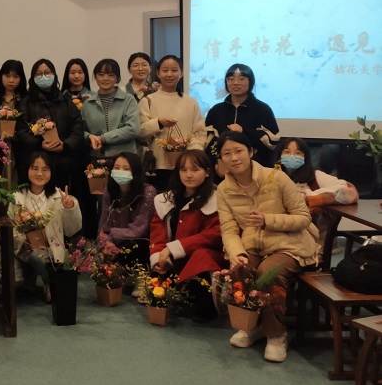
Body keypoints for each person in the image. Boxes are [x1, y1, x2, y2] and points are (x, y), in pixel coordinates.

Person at [216, 131, 319, 363]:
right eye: (227, 154)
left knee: (267, 272)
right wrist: (237, 253)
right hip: (254, 245)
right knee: (239, 269)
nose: (234, 158)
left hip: (291, 245)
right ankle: (252, 326)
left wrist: (267, 220)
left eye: (239, 151)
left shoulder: (277, 178)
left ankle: (276, 335)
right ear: (221, 160)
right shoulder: (223, 190)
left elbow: (304, 218)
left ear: (251, 152)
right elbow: (229, 230)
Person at [150, 149, 224, 320]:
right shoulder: (165, 199)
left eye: (195, 169)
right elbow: (157, 232)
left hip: (204, 259)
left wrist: (174, 248)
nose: (188, 175)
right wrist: (159, 257)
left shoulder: (216, 200)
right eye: (183, 169)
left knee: (202, 256)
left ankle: (206, 305)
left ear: (207, 172)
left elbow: (213, 235)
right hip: (173, 258)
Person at [10, 152, 82, 302]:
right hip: (20, 250)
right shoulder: (16, 197)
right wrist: (21, 237)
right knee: (15, 282)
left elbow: (71, 230)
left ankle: (51, 283)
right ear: (27, 169)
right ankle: (28, 279)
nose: (39, 173)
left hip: (49, 252)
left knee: (38, 256)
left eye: (45, 169)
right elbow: (5, 228)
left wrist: (69, 209)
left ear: (51, 172)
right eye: (34, 168)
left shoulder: (59, 197)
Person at [14, 58, 87, 199]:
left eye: (47, 73)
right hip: (35, 162)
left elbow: (77, 129)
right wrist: (39, 144)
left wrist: (65, 145)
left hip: (63, 163)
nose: (44, 77)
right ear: (33, 78)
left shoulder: (66, 101)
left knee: (61, 201)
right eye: (39, 74)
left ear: (54, 75)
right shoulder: (26, 102)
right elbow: (21, 131)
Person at [274, 137, 358, 257]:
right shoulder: (270, 176)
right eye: (287, 152)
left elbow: (349, 191)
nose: (292, 156)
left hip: (313, 241)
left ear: (306, 157)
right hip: (278, 234)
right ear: (279, 155)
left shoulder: (316, 176)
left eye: (298, 153)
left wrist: (311, 198)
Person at [138, 55, 207, 191]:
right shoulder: (148, 101)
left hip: (186, 166)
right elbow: (140, 132)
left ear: (181, 73)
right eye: (165, 70)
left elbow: (199, 132)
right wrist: (158, 123)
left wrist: (192, 156)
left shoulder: (190, 102)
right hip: (156, 165)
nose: (169, 74)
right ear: (157, 73)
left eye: (174, 70)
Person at [206, 63, 280, 168]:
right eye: (231, 79)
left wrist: (244, 131)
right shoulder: (216, 110)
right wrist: (217, 161)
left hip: (256, 167)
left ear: (250, 81)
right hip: (222, 168)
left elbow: (273, 141)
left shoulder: (262, 109)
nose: (236, 83)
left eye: (242, 79)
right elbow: (208, 141)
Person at [98, 152, 155, 268]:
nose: (120, 172)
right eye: (117, 168)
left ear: (135, 171)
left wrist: (112, 237)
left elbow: (140, 228)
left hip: (137, 243)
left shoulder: (147, 192)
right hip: (113, 241)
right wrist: (106, 242)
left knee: (132, 246)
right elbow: (104, 224)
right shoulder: (109, 191)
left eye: (126, 169)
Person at [81, 58, 140, 157]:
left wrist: (103, 138)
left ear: (117, 78)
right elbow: (80, 130)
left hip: (124, 157)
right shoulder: (88, 103)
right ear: (95, 77)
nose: (105, 78)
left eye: (111, 75)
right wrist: (89, 136)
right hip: (98, 157)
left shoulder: (128, 100)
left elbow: (133, 129)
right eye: (101, 74)